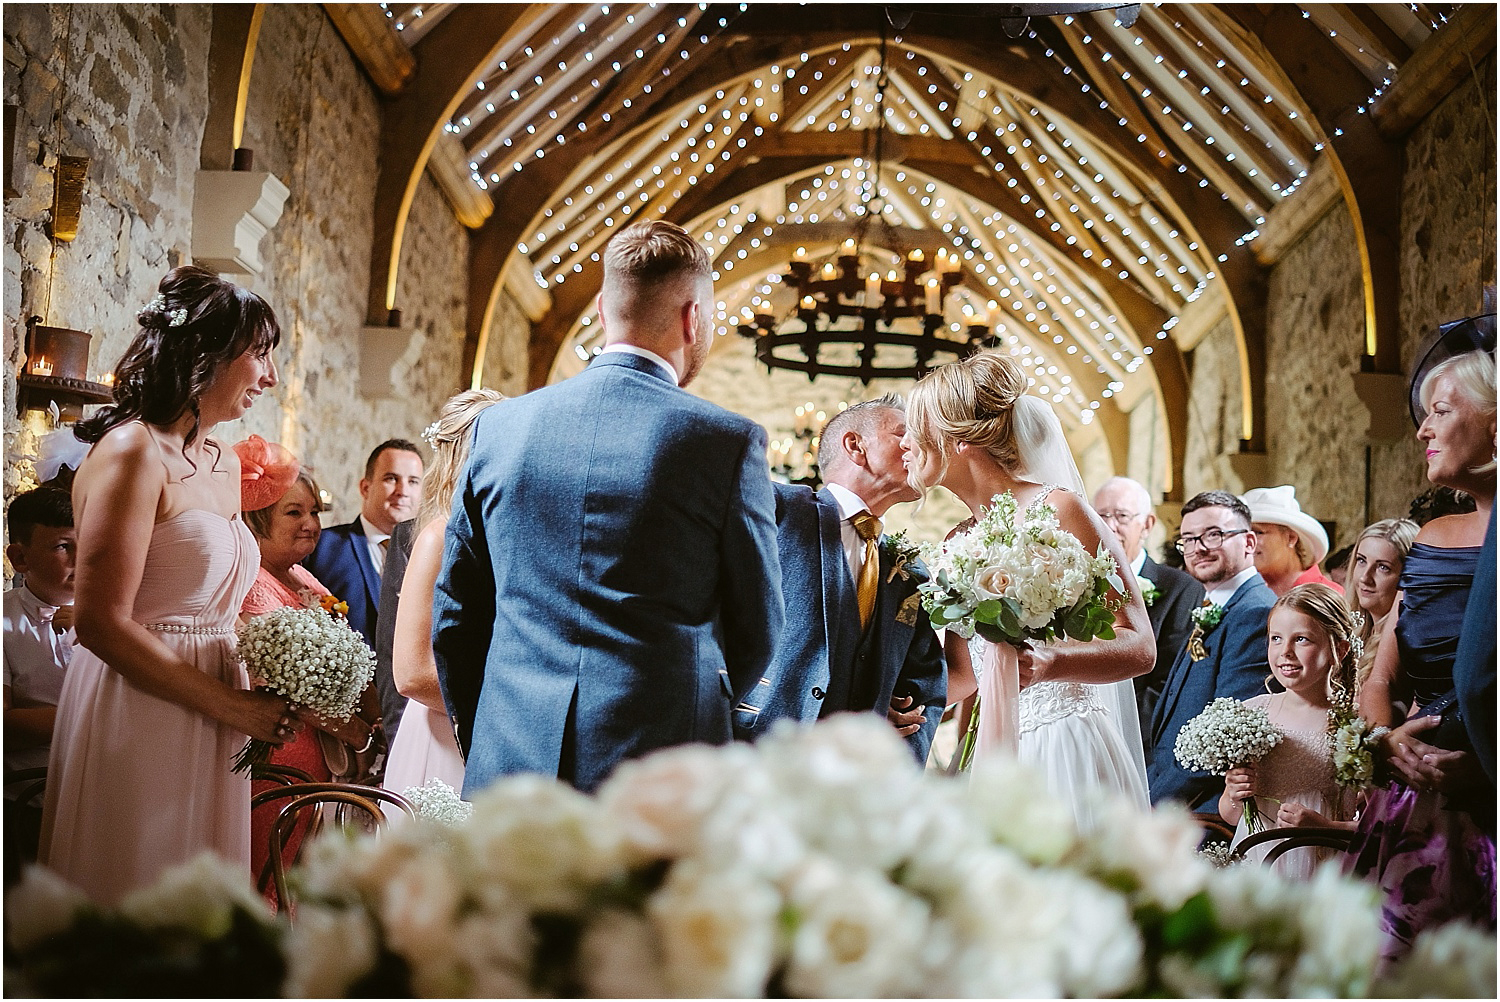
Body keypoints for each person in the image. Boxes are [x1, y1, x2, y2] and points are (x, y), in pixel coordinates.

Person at [433, 220, 783, 796]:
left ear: (601, 308)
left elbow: (457, 614)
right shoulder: (725, 441)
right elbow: (759, 626)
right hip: (660, 766)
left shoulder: (497, 429)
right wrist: (692, 708)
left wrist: (494, 735)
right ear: (694, 317)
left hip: (512, 759)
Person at [39, 266, 297, 904]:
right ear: (206, 356)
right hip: (142, 704)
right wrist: (231, 705)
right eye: (259, 355)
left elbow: (225, 601)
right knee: (139, 889)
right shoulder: (133, 453)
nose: (268, 377)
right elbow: (100, 622)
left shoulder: (221, 462)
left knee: (201, 907)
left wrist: (278, 668)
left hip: (214, 701)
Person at [901, 350, 1153, 830]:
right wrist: (899, 704)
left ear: (957, 441)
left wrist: (1053, 664)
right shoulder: (956, 541)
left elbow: (1140, 645)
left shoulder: (1062, 511)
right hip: (990, 751)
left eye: (917, 429)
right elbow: (963, 672)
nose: (906, 444)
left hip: (1061, 744)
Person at [1349, 348, 1496, 962]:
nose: (1422, 429)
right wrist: (1387, 742)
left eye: (1440, 410)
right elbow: (1380, 678)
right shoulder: (1432, 542)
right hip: (1415, 817)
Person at [732, 396, 946, 764]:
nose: (915, 445)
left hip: (852, 783)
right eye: (901, 433)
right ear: (855, 446)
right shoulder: (777, 510)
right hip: (755, 750)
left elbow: (924, 686)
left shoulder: (910, 571)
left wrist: (895, 758)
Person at [236, 442, 381, 901]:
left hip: (317, 755)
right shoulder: (250, 583)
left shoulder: (301, 577)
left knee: (301, 878)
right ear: (255, 521)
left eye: (314, 512)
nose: (311, 524)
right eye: (293, 513)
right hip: (279, 753)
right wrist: (358, 734)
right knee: (268, 869)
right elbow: (285, 686)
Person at [383, 390, 503, 797]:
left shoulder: (503, 538)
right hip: (445, 734)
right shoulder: (438, 538)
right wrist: (501, 706)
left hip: (488, 739)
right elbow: (411, 673)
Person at [1147, 490, 1277, 811]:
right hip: (1171, 788)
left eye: (1214, 535)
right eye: (1188, 539)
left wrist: (1148, 804)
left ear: (1249, 543)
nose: (1198, 548)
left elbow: (1225, 739)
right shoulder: (1216, 603)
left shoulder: (1254, 613)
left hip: (1205, 807)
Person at [1220, 584, 1359, 880]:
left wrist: (1325, 827)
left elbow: (1386, 826)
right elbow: (1232, 814)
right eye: (1276, 639)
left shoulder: (1354, 723)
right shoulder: (1252, 713)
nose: (1286, 652)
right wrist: (1235, 790)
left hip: (1323, 869)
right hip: (1257, 865)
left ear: (1340, 649)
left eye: (1302, 640)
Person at [303, 438, 423, 734]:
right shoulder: (323, 547)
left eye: (413, 481)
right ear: (365, 487)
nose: (402, 491)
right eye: (391, 478)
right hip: (341, 719)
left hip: (411, 718)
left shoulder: (433, 560)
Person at [1091, 476, 1205, 750]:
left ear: (1147, 525)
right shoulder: (1078, 583)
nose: (1109, 526)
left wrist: (1119, 733)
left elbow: (1167, 680)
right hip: (1082, 729)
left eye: (1121, 516)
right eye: (1101, 516)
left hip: (1138, 741)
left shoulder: (1180, 588)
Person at [3, 487, 76, 885]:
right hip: (28, 802)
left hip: (108, 791)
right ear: (20, 557)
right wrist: (93, 712)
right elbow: (5, 728)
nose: (81, 560)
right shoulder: (3, 620)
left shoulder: (124, 619)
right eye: (63, 546)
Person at [1344, 518, 1419, 694]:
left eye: (1383, 567)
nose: (1365, 578)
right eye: (1361, 561)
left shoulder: (1407, 645)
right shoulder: (1348, 630)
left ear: (1408, 576)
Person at [1242, 485, 1340, 596]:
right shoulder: (1245, 592)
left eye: (1258, 532)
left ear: (1291, 538)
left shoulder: (1329, 596)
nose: (1247, 542)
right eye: (1243, 534)